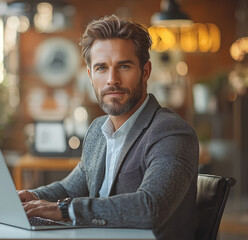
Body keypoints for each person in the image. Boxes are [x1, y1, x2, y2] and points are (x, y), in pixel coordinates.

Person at [18, 14, 199, 240]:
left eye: (123, 66)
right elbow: (70, 189)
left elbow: (150, 207)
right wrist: (29, 197)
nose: (112, 79)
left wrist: (65, 210)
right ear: (90, 76)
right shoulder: (97, 131)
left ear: (145, 71)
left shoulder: (171, 132)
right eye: (101, 68)